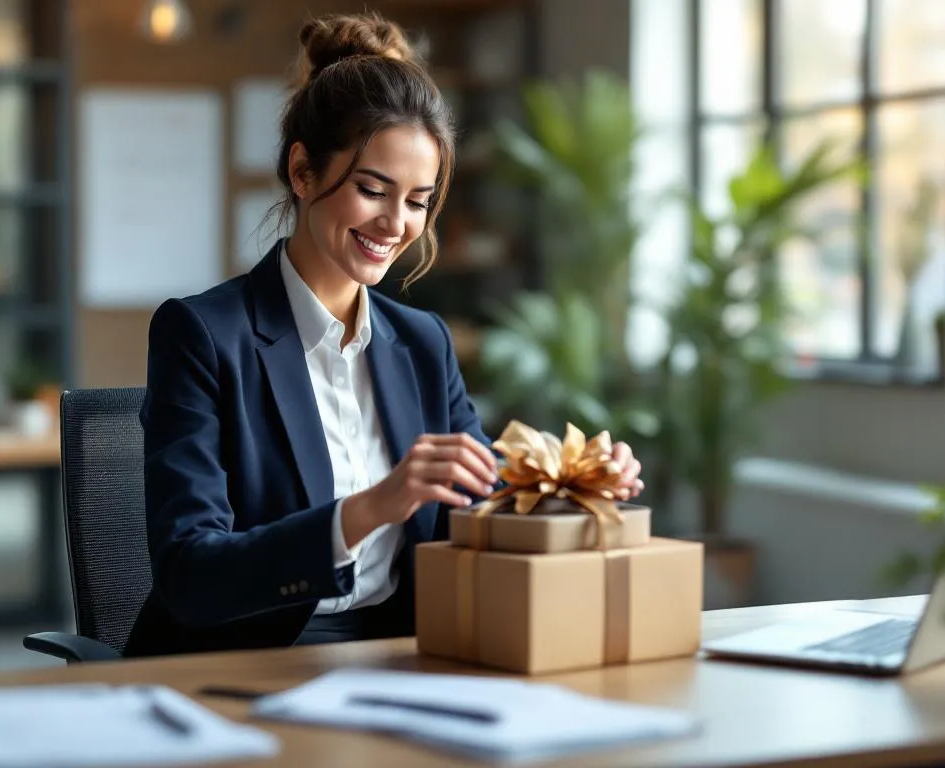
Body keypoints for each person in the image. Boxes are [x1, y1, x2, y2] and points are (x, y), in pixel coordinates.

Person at [125, 11, 645, 657]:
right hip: (243, 661)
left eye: (419, 200)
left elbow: (477, 499)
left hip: (398, 656)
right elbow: (190, 574)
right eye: (373, 189)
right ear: (302, 172)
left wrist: (573, 482)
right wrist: (374, 505)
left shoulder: (422, 342)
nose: (396, 224)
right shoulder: (204, 334)